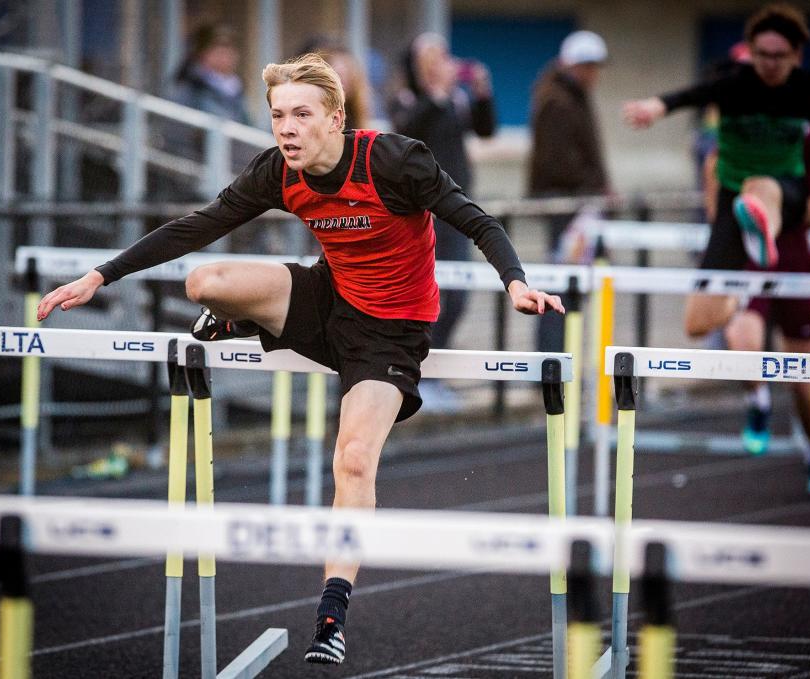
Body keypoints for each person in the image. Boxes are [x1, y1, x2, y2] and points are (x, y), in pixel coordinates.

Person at [36, 53, 563, 666]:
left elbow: (478, 221)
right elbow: (195, 227)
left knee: (355, 457)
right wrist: (101, 275)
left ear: (335, 118)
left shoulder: (394, 161)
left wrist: (514, 281)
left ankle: (331, 616)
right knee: (204, 281)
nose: (286, 128)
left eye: (301, 115)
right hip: (325, 300)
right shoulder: (277, 174)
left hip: (389, 336)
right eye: (277, 115)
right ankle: (243, 317)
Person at [623, 4, 810, 340]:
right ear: (751, 53)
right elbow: (692, 95)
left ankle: (763, 233)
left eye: (779, 56)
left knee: (760, 186)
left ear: (796, 55)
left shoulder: (808, 85)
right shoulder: (735, 84)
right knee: (696, 323)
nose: (770, 64)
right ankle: (738, 296)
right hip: (731, 203)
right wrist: (655, 107)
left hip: (786, 193)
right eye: (762, 55)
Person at [716, 127, 810, 496]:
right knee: (740, 337)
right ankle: (758, 400)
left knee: (803, 379)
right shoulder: (739, 134)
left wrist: (772, 203)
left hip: (795, 262)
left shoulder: (809, 140)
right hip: (750, 256)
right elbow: (715, 179)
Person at [389, 33, 497, 410]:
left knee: (458, 296)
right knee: (425, 298)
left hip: (454, 208)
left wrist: (482, 93)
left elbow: (485, 131)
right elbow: (404, 134)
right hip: (419, 213)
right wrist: (434, 96)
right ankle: (418, 376)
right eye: (429, 58)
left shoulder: (456, 99)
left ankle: (434, 371)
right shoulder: (409, 100)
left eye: (442, 56)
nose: (439, 64)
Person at [528, 29, 610, 353]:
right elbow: (556, 162)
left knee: (569, 284)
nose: (593, 74)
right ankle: (551, 358)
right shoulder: (558, 101)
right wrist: (594, 187)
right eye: (587, 66)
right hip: (566, 208)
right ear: (572, 66)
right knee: (560, 285)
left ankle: (559, 354)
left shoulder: (572, 97)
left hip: (575, 206)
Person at [172, 24, 251, 125]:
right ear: (202, 53)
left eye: (229, 51)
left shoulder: (235, 89)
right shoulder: (188, 87)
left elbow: (247, 127)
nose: (225, 57)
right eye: (219, 50)